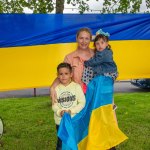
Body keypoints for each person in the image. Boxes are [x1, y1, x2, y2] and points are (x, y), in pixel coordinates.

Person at [50, 27, 94, 102]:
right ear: (76, 38)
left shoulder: (97, 54)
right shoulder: (69, 57)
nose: (84, 41)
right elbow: (62, 74)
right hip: (78, 96)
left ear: (90, 40)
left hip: (95, 94)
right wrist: (52, 87)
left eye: (87, 38)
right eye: (81, 38)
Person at [52, 62, 86, 150]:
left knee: (75, 142)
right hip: (60, 122)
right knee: (61, 143)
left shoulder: (76, 87)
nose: (63, 76)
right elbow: (54, 105)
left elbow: (82, 102)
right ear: (57, 75)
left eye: (66, 73)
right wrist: (60, 112)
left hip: (74, 120)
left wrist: (72, 111)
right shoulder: (56, 89)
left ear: (71, 74)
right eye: (61, 74)